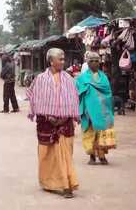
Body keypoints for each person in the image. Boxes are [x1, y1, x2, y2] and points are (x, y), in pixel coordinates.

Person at [26, 48, 80, 199]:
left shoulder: (69, 79)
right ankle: (49, 183)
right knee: (48, 155)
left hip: (65, 123)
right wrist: (49, 116)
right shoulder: (41, 79)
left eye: (63, 59)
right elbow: (34, 98)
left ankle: (66, 185)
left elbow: (74, 99)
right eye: (60, 59)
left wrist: (64, 118)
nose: (63, 62)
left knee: (65, 155)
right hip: (46, 123)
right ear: (51, 61)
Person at [76, 51, 115, 165]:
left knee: (102, 133)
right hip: (89, 111)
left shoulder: (104, 77)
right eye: (91, 61)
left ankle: (102, 156)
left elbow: (108, 92)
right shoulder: (82, 78)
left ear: (100, 62)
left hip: (103, 110)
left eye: (97, 61)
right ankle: (92, 156)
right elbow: (78, 93)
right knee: (90, 133)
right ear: (87, 63)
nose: (94, 63)